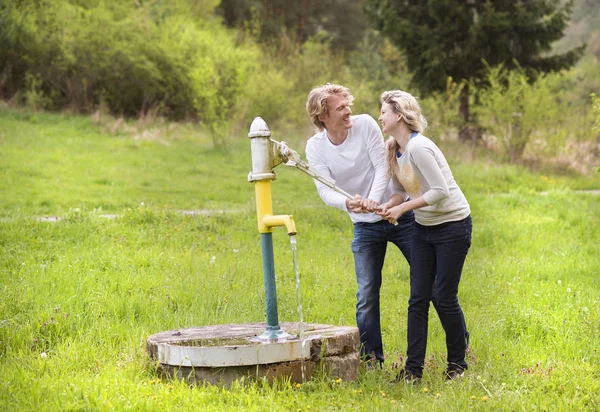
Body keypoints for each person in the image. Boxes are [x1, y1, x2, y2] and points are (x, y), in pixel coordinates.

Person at [304, 83, 414, 365]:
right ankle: (371, 361)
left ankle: (459, 345)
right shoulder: (315, 147)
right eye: (341, 107)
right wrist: (348, 203)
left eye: (347, 104)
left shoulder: (365, 125)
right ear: (323, 116)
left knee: (432, 280)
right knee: (366, 294)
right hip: (365, 226)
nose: (348, 110)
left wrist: (373, 201)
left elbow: (382, 166)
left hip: (398, 212)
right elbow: (325, 189)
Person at [375, 89, 472, 382]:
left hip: (453, 226)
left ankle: (457, 365)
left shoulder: (420, 147)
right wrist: (389, 205)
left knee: (443, 296)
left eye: (383, 112)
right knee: (417, 299)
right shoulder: (393, 149)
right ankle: (412, 371)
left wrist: (403, 209)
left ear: (399, 116)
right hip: (423, 228)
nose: (379, 116)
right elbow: (401, 190)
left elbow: (440, 192)